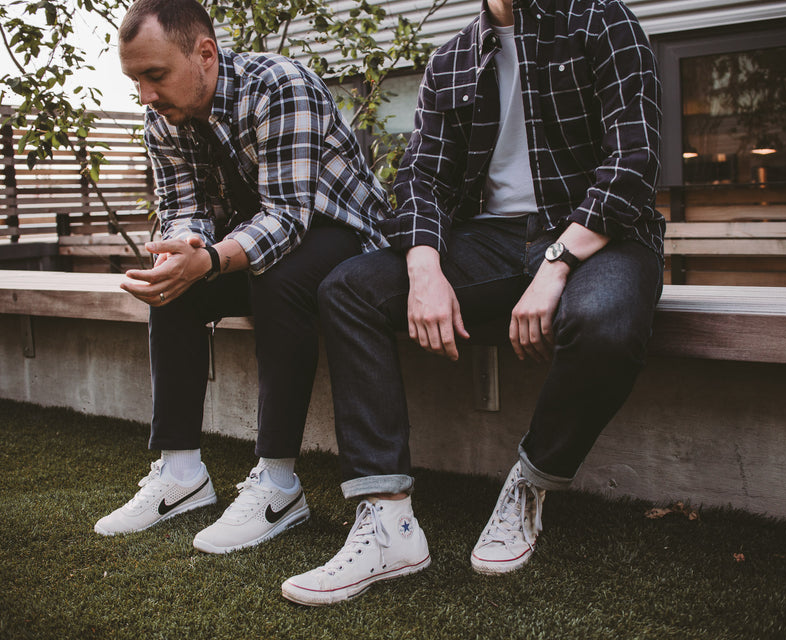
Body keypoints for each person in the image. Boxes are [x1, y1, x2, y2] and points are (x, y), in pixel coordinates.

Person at [281, 0, 664, 605]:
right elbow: (421, 178)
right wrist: (425, 265)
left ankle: (530, 481)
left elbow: (634, 163)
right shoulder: (453, 57)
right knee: (348, 288)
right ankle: (387, 524)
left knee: (602, 325)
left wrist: (557, 263)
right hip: (489, 240)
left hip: (600, 234)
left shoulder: (599, 19)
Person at [93, 0, 391, 555]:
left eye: (155, 76)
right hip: (255, 236)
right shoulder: (164, 118)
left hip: (342, 233)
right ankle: (180, 474)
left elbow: (288, 215)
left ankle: (278, 485)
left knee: (278, 277)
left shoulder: (281, 86)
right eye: (136, 80)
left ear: (204, 53)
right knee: (173, 287)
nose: (145, 97)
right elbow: (180, 207)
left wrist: (209, 258)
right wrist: (182, 252)